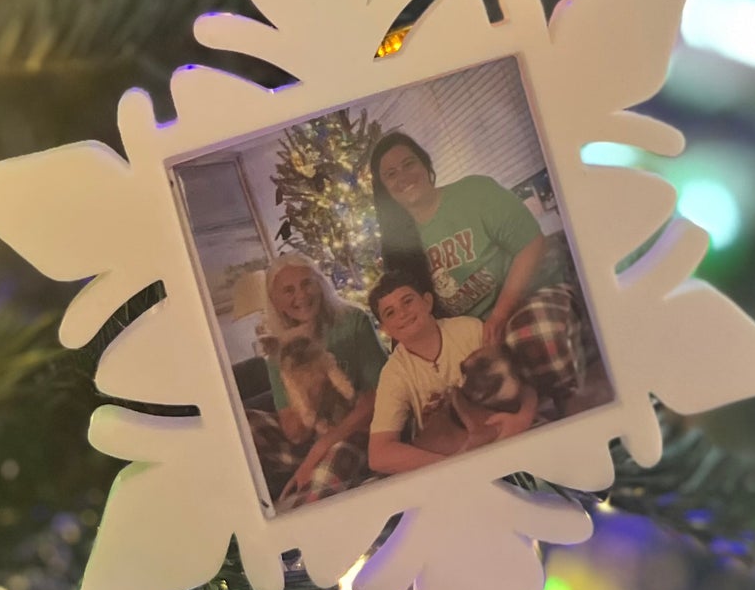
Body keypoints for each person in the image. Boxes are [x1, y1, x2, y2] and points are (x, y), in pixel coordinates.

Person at [370, 130, 587, 411]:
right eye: (391, 173)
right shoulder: (398, 245)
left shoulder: (475, 192)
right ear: (385, 189)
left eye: (409, 163)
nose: (403, 176)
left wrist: (499, 314)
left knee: (530, 337)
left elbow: (531, 243)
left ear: (425, 163)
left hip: (525, 298)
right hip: (468, 332)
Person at [366, 272, 536, 475]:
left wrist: (523, 418)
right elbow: (379, 455)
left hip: (499, 433)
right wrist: (453, 464)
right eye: (390, 312)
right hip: (449, 453)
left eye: (407, 301)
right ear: (385, 329)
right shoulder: (394, 373)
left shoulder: (468, 330)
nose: (402, 313)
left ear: (427, 302)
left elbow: (520, 380)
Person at [248, 256, 385, 507]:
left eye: (307, 284)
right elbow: (295, 434)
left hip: (357, 429)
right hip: (312, 436)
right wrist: (305, 385)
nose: (301, 295)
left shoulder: (352, 321)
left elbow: (378, 397)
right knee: (247, 426)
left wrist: (320, 449)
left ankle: (310, 501)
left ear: (320, 285)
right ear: (276, 301)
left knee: (326, 470)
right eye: (288, 290)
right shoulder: (279, 347)